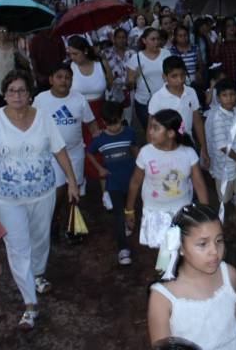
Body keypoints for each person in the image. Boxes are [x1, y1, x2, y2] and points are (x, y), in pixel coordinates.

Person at [0, 69, 80, 329]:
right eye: (11, 91)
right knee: (18, 248)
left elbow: (59, 149)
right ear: (5, 94)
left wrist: (72, 181)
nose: (16, 95)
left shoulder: (43, 117)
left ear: (29, 94)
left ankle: (38, 274)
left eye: (21, 90)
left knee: (40, 240)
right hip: (7, 199)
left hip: (43, 192)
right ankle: (30, 303)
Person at [148, 204, 236, 349]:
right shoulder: (163, 297)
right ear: (180, 247)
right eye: (202, 244)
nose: (214, 251)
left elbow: (235, 322)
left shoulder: (229, 275)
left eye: (219, 241)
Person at [124, 109, 209, 251]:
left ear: (171, 133)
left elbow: (199, 184)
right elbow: (135, 182)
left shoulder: (188, 153)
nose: (150, 131)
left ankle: (175, 271)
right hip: (154, 212)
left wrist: (206, 214)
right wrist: (129, 210)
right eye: (150, 126)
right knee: (162, 250)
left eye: (156, 128)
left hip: (181, 211)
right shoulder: (146, 152)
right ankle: (167, 271)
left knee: (180, 249)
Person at [32, 63, 98, 234]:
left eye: (68, 77)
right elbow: (33, 125)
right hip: (51, 154)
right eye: (59, 77)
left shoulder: (79, 99)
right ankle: (53, 220)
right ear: (51, 80)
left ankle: (73, 226)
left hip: (75, 152)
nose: (64, 81)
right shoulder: (40, 99)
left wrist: (101, 141)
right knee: (58, 190)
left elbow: (91, 124)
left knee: (74, 192)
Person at [87, 101, 138, 266]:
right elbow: (89, 153)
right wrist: (99, 168)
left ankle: (126, 226)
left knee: (129, 208)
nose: (113, 127)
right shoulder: (100, 139)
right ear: (103, 121)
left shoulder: (130, 133)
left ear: (122, 117)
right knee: (118, 214)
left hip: (131, 181)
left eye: (116, 122)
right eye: (109, 123)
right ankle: (123, 249)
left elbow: (137, 153)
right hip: (114, 183)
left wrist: (140, 171)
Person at [67, 35, 114, 207]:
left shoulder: (100, 64)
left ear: (85, 51)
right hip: (77, 114)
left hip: (99, 112)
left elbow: (110, 84)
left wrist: (105, 63)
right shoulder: (70, 67)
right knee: (80, 149)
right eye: (70, 54)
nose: (72, 57)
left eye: (75, 53)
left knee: (101, 151)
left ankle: (106, 192)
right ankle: (82, 179)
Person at [206, 79, 236, 235]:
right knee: (225, 200)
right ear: (218, 98)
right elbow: (222, 145)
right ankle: (224, 228)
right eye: (225, 95)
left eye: (232, 94)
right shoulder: (217, 117)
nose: (229, 98)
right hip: (226, 164)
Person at [148, 56, 209, 169]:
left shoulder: (191, 92)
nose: (180, 80)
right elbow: (151, 129)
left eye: (182, 75)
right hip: (166, 148)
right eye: (174, 76)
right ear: (164, 77)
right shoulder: (157, 98)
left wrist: (204, 148)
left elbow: (197, 121)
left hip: (188, 144)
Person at [130, 28, 172, 130]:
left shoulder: (166, 53)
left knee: (168, 129)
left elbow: (173, 73)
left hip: (165, 99)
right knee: (151, 131)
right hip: (144, 102)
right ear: (144, 41)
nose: (156, 42)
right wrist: (135, 76)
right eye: (152, 39)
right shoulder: (136, 58)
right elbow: (129, 83)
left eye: (158, 39)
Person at [103, 27, 137, 125]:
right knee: (113, 119)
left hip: (129, 90)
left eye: (123, 37)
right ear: (114, 39)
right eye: (118, 37)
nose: (121, 40)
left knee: (127, 119)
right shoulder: (106, 53)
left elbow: (136, 71)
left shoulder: (132, 54)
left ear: (127, 39)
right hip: (113, 91)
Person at [29, 28, 67, 94]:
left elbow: (63, 56)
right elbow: (33, 59)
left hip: (57, 76)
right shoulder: (36, 39)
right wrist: (38, 75)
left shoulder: (58, 37)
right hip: (43, 78)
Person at [212, 18, 236, 84]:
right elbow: (215, 60)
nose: (232, 27)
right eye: (228, 25)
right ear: (224, 28)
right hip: (227, 80)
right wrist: (218, 45)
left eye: (233, 25)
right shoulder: (220, 43)